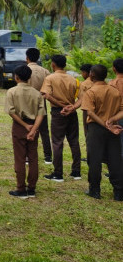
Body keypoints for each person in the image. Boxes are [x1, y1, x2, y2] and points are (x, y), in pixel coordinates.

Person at [79, 64, 123, 200]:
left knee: (94, 160)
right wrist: (112, 120)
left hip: (97, 128)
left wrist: (104, 124)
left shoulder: (91, 92)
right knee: (115, 159)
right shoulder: (114, 91)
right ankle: (119, 192)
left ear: (91, 75)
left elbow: (90, 113)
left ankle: (95, 190)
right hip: (113, 128)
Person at [4, 65, 45, 199]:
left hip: (19, 126)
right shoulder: (37, 93)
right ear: (29, 78)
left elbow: (11, 111)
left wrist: (24, 125)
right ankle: (32, 188)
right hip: (34, 125)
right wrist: (33, 129)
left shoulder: (11, 92)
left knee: (20, 158)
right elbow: (41, 114)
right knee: (33, 157)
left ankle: (21, 188)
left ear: (16, 77)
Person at [41, 54, 81, 182]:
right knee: (74, 141)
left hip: (58, 113)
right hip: (72, 112)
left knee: (57, 142)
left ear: (53, 64)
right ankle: (76, 171)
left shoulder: (50, 78)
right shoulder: (73, 79)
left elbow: (46, 95)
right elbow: (82, 98)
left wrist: (61, 105)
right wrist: (72, 107)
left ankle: (58, 173)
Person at [25, 48, 53, 164]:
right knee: (44, 130)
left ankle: (27, 156)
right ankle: (48, 156)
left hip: (27, 103)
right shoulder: (45, 71)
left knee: (28, 127)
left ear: (27, 58)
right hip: (41, 102)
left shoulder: (25, 70)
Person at [74, 64, 94, 142]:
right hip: (100, 110)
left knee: (88, 131)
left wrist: (73, 107)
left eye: (82, 72)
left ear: (86, 73)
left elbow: (81, 99)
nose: (82, 74)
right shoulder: (101, 82)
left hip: (87, 110)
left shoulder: (84, 84)